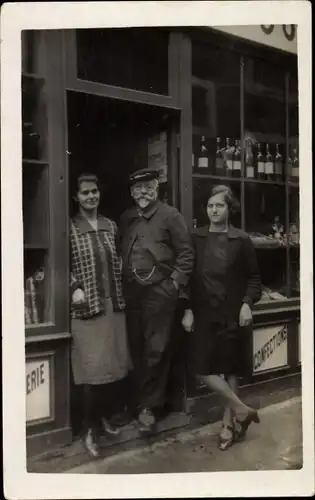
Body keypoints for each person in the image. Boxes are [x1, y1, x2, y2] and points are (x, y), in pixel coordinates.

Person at [182, 185, 262, 450]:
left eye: (219, 205)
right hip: (204, 313)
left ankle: (228, 424)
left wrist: (247, 303)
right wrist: (189, 309)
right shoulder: (196, 237)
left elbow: (254, 279)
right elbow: (189, 277)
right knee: (201, 368)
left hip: (231, 313)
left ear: (230, 209)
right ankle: (242, 409)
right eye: (210, 205)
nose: (214, 210)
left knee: (230, 369)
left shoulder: (241, 240)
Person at [120, 167, 194, 434]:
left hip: (160, 293)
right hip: (131, 293)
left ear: (157, 188)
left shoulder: (171, 216)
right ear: (131, 191)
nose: (143, 192)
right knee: (135, 348)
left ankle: (149, 407)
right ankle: (138, 402)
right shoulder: (128, 218)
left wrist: (173, 285)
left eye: (148, 187)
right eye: (137, 188)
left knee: (156, 349)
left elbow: (186, 255)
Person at [70, 173, 131, 458]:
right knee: (92, 371)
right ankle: (89, 430)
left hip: (112, 306)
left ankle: (104, 419)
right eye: (85, 193)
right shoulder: (69, 228)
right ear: (76, 197)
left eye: (94, 192)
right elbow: (61, 264)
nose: (91, 196)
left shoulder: (110, 225)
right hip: (87, 310)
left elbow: (118, 260)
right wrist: (74, 287)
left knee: (112, 368)